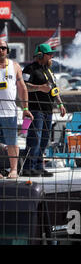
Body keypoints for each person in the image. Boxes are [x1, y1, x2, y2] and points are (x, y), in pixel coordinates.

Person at [22, 43, 66, 177]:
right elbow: (23, 86)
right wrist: (40, 87)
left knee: (45, 140)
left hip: (48, 110)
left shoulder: (49, 70)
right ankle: (29, 167)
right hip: (35, 109)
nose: (52, 56)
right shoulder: (29, 69)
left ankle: (39, 166)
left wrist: (60, 104)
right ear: (40, 55)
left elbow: (54, 89)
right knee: (35, 139)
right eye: (49, 54)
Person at [0, 40, 33, 179]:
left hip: (9, 111)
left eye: (3, 47)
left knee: (12, 141)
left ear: (7, 50)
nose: (0, 50)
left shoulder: (15, 66)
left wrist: (25, 108)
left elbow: (22, 88)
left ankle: (13, 169)